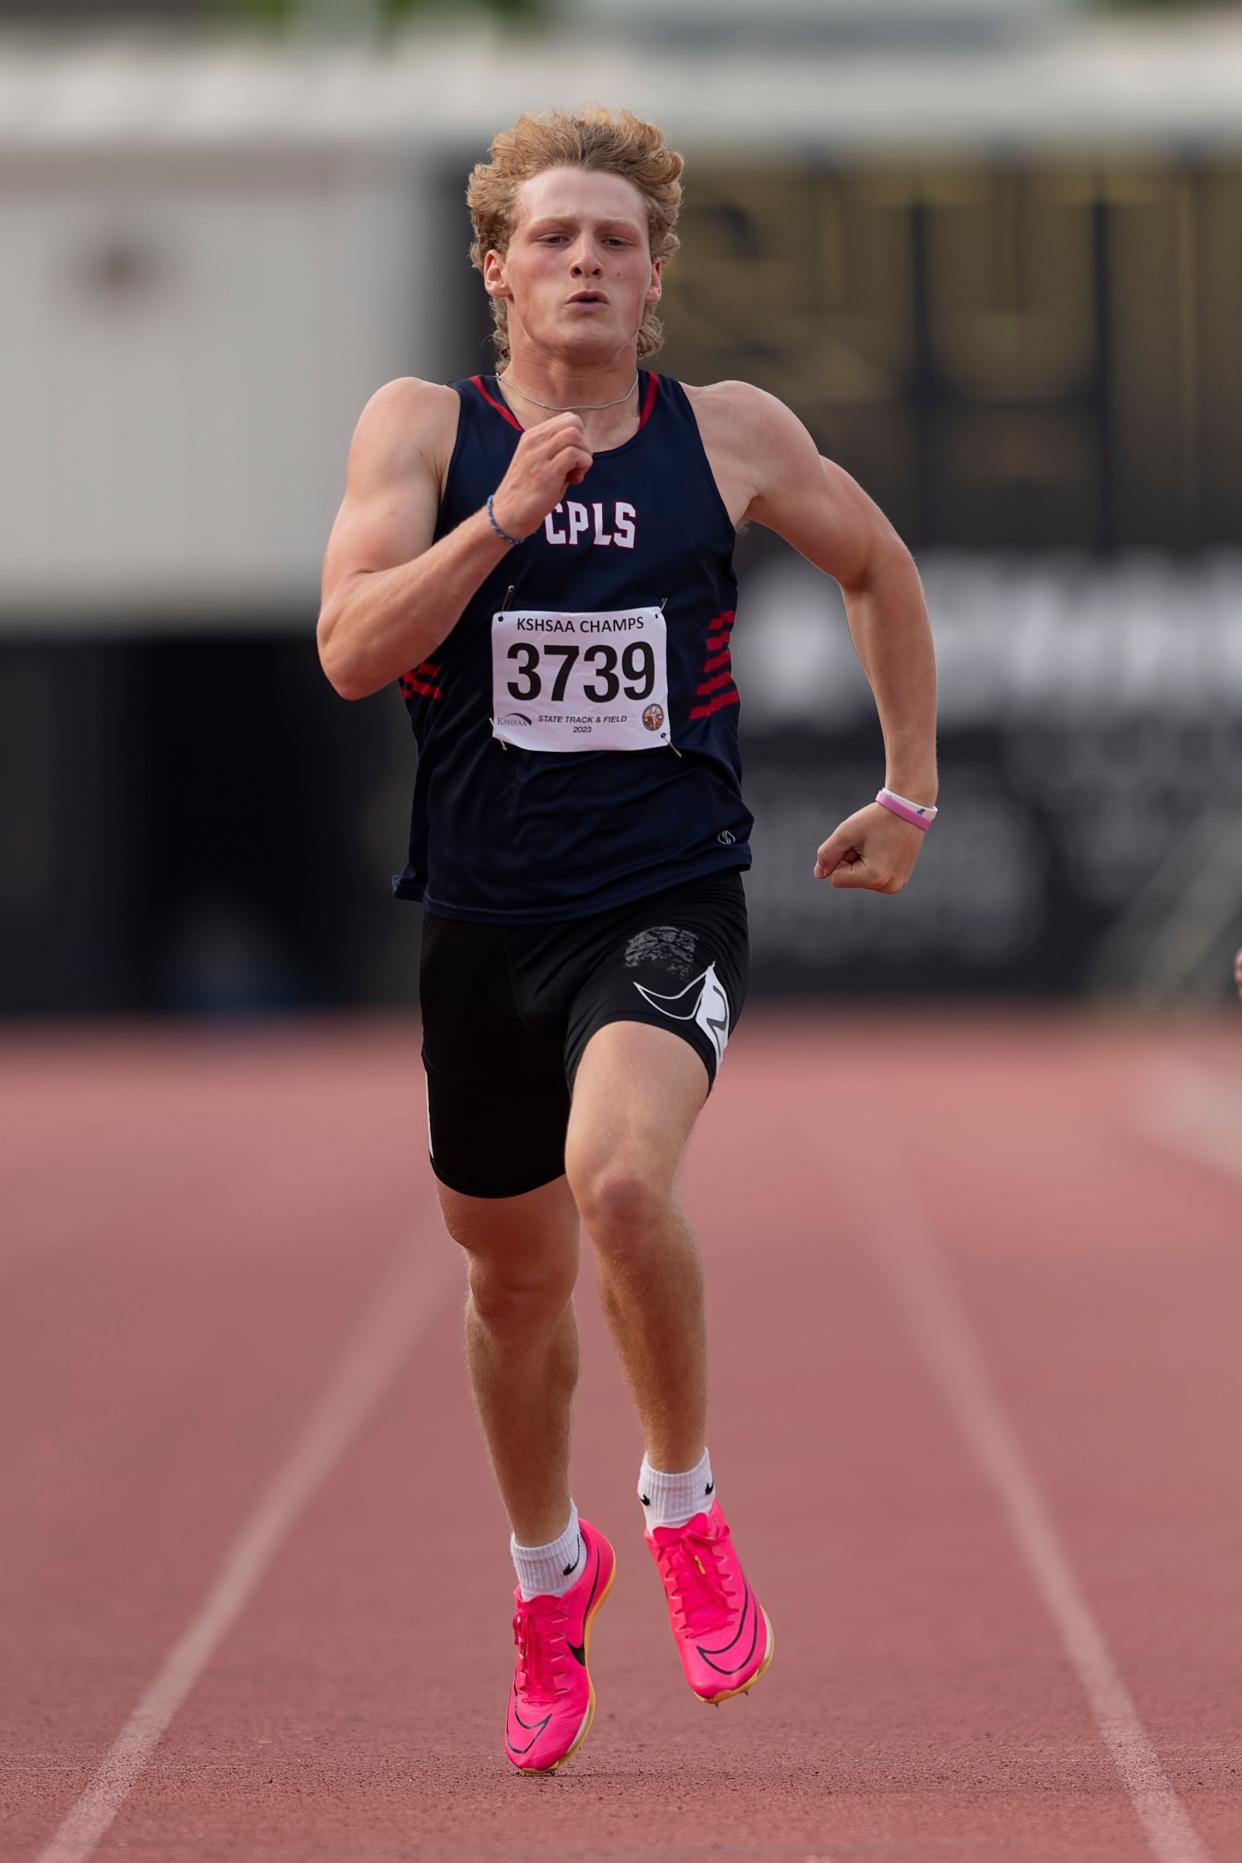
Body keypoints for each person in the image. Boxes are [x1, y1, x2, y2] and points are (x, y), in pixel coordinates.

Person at [316, 107, 937, 1774]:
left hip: (664, 897)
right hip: (478, 923)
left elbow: (876, 570)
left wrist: (911, 791)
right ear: (497, 270)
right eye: (553, 238)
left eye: (614, 240)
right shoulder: (423, 430)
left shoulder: (725, 436)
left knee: (620, 1186)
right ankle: (546, 1579)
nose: (584, 261)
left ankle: (678, 1507)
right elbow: (353, 652)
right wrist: (503, 516)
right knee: (510, 1289)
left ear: (653, 277)